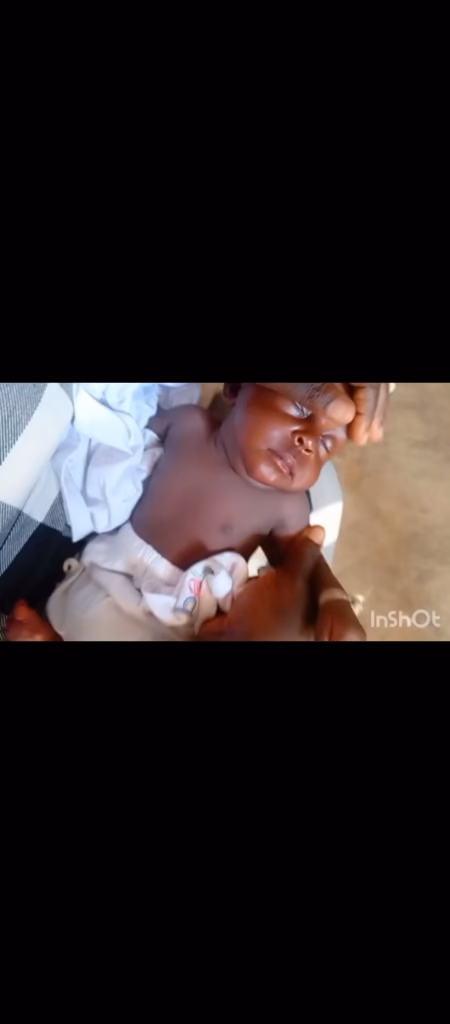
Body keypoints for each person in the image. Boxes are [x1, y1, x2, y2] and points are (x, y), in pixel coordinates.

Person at [8, 382, 367, 641]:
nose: (307, 442)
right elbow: (124, 436)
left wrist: (333, 598)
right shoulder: (188, 424)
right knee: (76, 609)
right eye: (301, 410)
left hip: (173, 616)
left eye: (326, 444)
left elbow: (303, 559)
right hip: (107, 567)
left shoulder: (288, 505)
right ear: (235, 390)